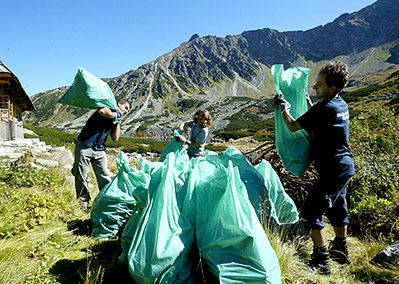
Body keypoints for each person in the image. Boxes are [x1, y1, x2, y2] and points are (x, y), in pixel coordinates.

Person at [273, 61, 355, 274]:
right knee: (338, 208)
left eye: (319, 84)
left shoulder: (323, 109)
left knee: (310, 211)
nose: (314, 87)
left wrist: (284, 108)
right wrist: (310, 103)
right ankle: (341, 250)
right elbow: (322, 118)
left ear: (332, 88)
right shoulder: (340, 105)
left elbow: (292, 126)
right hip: (345, 166)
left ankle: (321, 260)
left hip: (331, 169)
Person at [72, 99, 131, 210]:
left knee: (104, 174)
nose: (127, 111)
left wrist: (118, 121)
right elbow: (102, 112)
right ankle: (83, 203)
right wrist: (116, 113)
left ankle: (105, 201)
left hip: (99, 149)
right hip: (85, 145)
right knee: (81, 174)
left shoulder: (115, 118)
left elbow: (115, 138)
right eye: (126, 108)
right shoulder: (107, 108)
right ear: (119, 104)